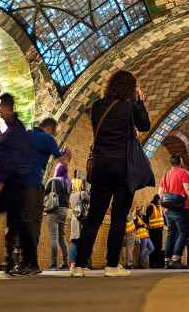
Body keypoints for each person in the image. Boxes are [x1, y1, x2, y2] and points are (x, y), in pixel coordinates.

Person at [71, 70, 150, 278]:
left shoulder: (97, 107)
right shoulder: (130, 106)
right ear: (130, 88)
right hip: (123, 169)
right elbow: (145, 125)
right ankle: (111, 265)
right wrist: (140, 101)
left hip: (101, 168)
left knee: (93, 217)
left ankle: (79, 265)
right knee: (118, 217)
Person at [0, 93, 39, 275]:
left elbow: (14, 161)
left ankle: (22, 261)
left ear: (9, 108)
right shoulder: (13, 130)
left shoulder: (16, 132)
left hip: (14, 185)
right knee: (18, 224)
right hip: (14, 184)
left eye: (1, 108)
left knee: (12, 223)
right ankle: (20, 262)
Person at [27, 117, 70, 263]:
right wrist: (66, 153)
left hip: (18, 184)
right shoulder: (48, 138)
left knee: (18, 222)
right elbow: (61, 158)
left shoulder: (26, 134)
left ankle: (12, 260)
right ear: (51, 128)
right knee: (35, 224)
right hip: (34, 183)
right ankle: (32, 262)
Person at [158, 154, 189, 269]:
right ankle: (176, 259)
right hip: (181, 208)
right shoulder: (183, 172)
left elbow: (160, 193)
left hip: (168, 210)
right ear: (180, 161)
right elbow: (187, 189)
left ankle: (167, 261)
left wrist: (163, 208)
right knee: (184, 233)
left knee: (171, 234)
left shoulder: (165, 175)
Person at [44, 162, 71, 270]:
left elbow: (44, 192)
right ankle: (65, 263)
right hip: (64, 211)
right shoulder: (68, 182)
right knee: (61, 237)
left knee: (54, 238)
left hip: (53, 209)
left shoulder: (52, 180)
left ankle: (53, 264)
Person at [68, 177, 89, 269]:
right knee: (82, 242)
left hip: (74, 218)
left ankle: (72, 263)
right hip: (82, 220)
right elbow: (90, 199)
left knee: (74, 242)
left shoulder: (71, 195)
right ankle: (81, 264)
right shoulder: (83, 194)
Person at [145, 195, 165, 268]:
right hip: (153, 230)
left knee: (159, 246)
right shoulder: (151, 207)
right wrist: (146, 226)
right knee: (153, 246)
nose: (160, 202)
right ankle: (152, 263)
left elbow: (163, 218)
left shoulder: (160, 208)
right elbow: (147, 217)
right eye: (159, 200)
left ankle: (157, 263)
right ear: (156, 200)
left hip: (160, 230)